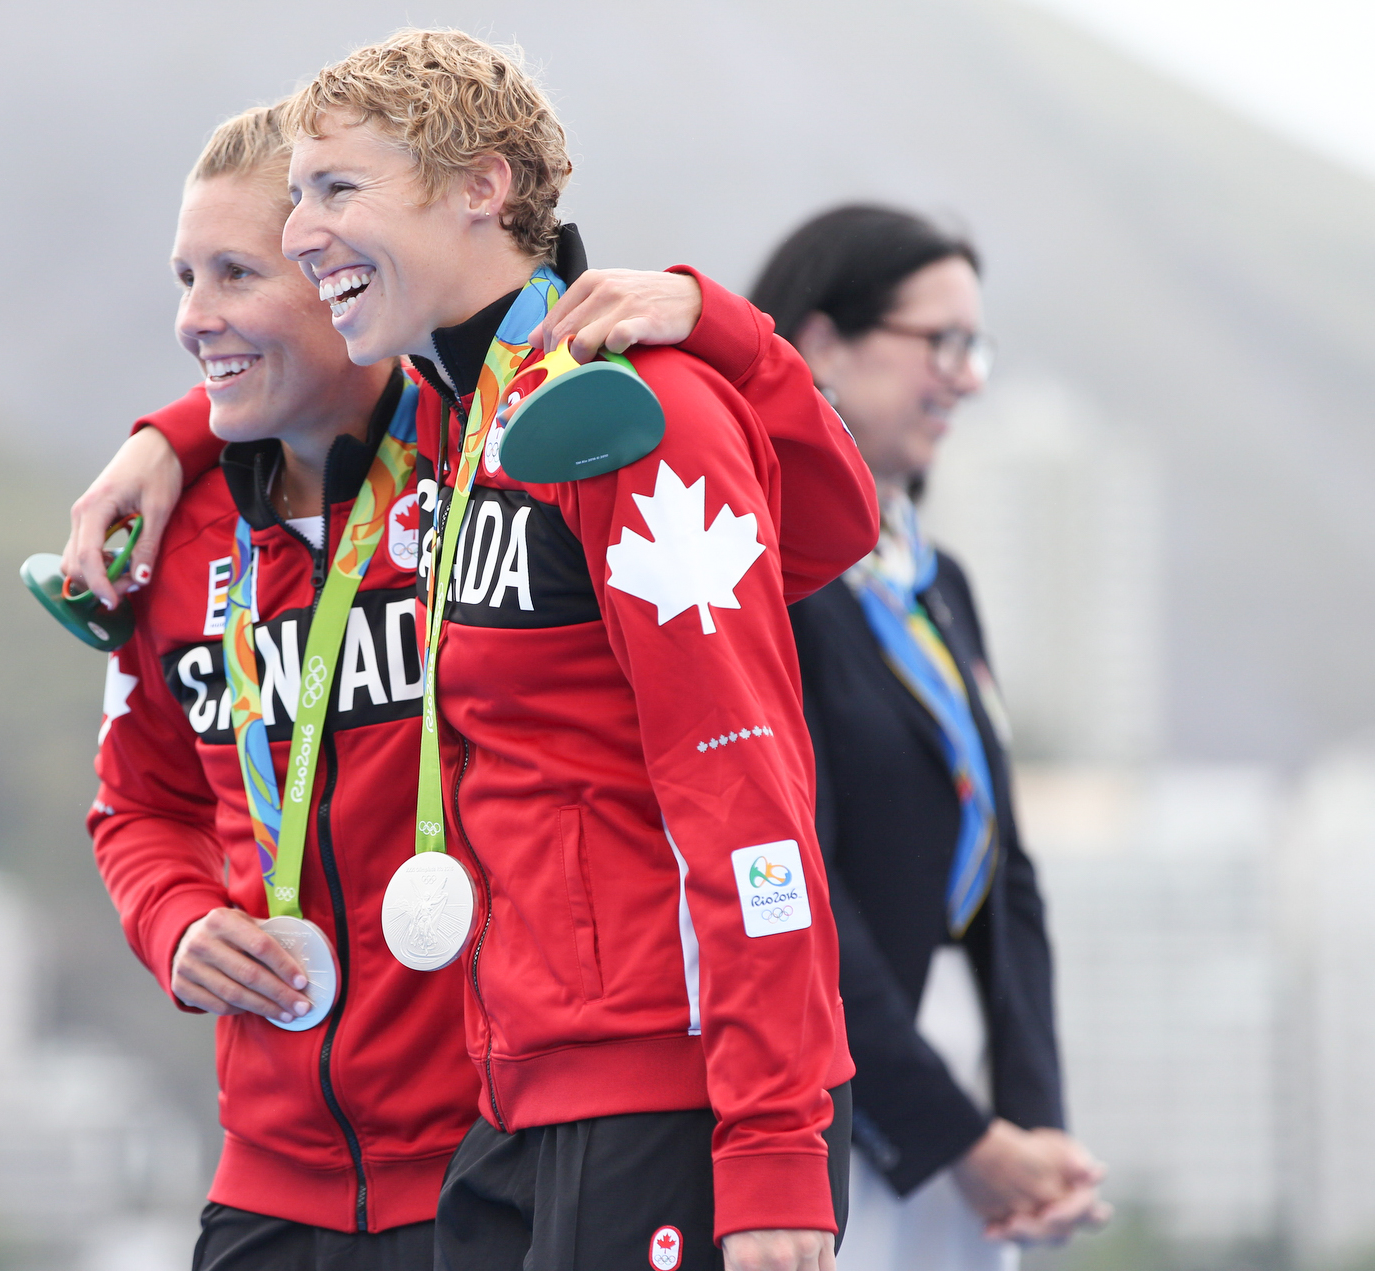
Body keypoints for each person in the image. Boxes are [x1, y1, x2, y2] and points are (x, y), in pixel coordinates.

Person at [73, 93, 872, 1271]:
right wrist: (173, 917)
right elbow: (133, 803)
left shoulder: (489, 447)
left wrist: (716, 321)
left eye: (244, 270)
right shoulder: (171, 539)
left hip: (509, 1122)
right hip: (289, 1166)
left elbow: (797, 575)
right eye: (189, 278)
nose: (198, 317)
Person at [751, 204, 1112, 1271]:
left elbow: (1006, 872)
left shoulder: (929, 579)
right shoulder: (768, 574)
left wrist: (1028, 1122)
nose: (965, 376)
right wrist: (950, 1134)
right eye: (938, 343)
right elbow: (797, 886)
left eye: (973, 346)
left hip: (963, 1110)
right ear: (818, 344)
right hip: (843, 1111)